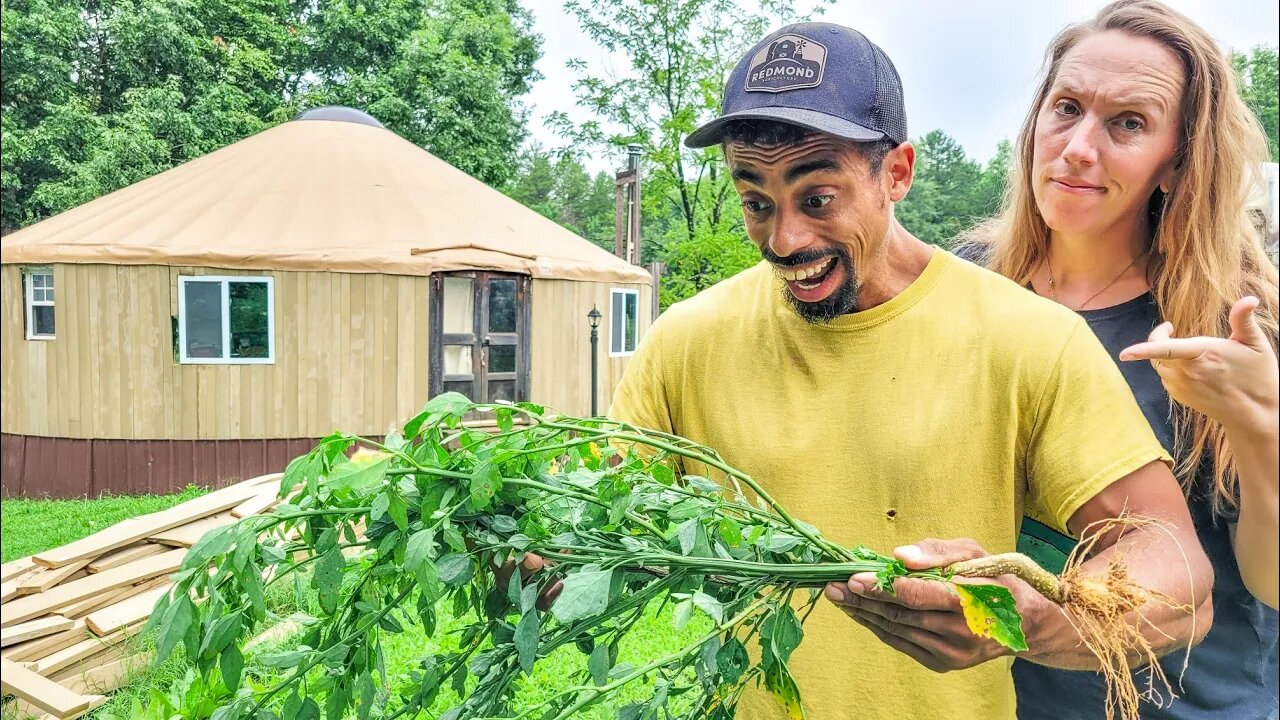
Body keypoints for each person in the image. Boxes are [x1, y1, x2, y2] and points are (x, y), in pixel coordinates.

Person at [605, 20, 1214, 720]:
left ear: (896, 173)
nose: (785, 238)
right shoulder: (685, 341)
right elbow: (612, 532)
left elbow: (1179, 576)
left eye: (818, 198)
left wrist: (1024, 618)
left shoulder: (1025, 337)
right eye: (755, 201)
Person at [957, 1, 1280, 717]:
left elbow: (1273, 584)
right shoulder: (970, 287)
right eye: (1066, 108)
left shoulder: (1239, 319)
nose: (1077, 147)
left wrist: (1261, 422)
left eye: (1127, 124)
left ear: (1178, 161)